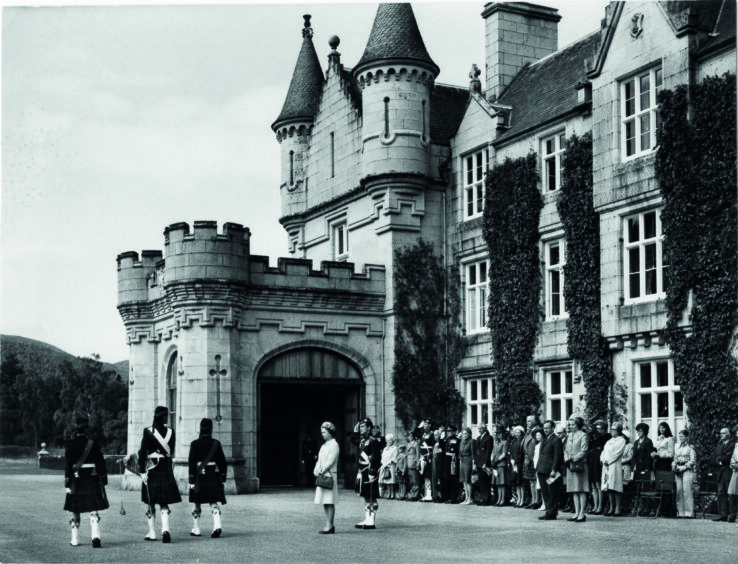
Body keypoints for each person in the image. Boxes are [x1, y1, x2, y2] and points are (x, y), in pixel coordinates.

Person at [138, 405, 182, 543]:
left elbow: (142, 453)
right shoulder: (171, 432)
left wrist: (141, 471)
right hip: (166, 469)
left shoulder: (148, 431)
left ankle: (152, 533)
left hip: (152, 470)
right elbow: (172, 450)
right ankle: (165, 530)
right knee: (164, 502)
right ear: (164, 417)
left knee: (150, 502)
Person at [64, 417, 109, 548]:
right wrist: (104, 479)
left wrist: (67, 483)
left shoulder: (71, 444)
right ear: (86, 429)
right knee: (93, 510)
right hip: (91, 479)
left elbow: (67, 466)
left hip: (76, 480)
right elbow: (101, 462)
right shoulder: (93, 443)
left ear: (76, 430)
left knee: (75, 510)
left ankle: (75, 540)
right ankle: (96, 537)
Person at [187, 418, 227, 538]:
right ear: (211, 429)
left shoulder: (194, 444)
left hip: (199, 477)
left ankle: (196, 528)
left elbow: (192, 463)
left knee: (197, 503)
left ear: (200, 429)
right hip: (213, 476)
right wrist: (223, 477)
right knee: (213, 502)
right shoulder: (216, 444)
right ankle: (217, 526)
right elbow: (222, 462)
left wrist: (191, 480)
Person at [352, 418, 382, 529]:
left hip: (369, 471)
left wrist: (372, 471)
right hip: (362, 471)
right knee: (365, 495)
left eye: (363, 426)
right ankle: (367, 518)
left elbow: (376, 456)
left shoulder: (373, 441)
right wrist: (355, 431)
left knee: (371, 496)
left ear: (369, 428)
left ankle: (371, 520)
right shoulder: (362, 440)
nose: (361, 428)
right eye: (360, 426)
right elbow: (352, 440)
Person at [314, 421, 339, 534]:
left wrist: (322, 470)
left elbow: (330, 461)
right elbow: (319, 460)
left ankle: (330, 525)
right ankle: (328, 524)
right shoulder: (323, 446)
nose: (322, 434)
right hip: (322, 474)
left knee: (330, 500)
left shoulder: (334, 445)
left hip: (329, 475)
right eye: (321, 432)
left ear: (330, 433)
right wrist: (316, 469)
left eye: (324, 432)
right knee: (325, 501)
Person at [536, 420, 564, 520]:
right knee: (545, 492)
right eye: (544, 428)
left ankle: (553, 512)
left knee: (552, 492)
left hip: (550, 471)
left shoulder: (556, 440)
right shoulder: (544, 439)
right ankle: (548, 511)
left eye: (547, 428)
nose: (545, 430)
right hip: (541, 469)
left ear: (553, 428)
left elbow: (557, 456)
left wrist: (554, 469)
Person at [563, 416, 589, 523]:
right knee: (574, 490)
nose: (571, 426)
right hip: (570, 465)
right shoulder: (569, 436)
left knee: (581, 489)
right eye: (570, 424)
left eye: (573, 424)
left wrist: (573, 458)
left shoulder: (583, 435)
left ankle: (582, 513)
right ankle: (576, 512)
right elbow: (565, 450)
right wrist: (566, 459)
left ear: (578, 425)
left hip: (579, 465)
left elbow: (584, 450)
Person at [600, 422, 626, 516]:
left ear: (618, 431)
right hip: (606, 466)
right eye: (611, 429)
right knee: (609, 487)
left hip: (615, 466)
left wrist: (609, 460)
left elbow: (618, 453)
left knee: (616, 486)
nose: (612, 431)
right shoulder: (608, 441)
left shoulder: (621, 441)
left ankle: (617, 508)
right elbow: (603, 452)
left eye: (614, 430)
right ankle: (611, 508)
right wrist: (603, 460)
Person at [713, 426, 736, 522]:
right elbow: (713, 458)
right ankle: (723, 515)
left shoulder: (733, 445)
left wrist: (720, 459)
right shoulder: (719, 445)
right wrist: (719, 460)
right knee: (721, 493)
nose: (721, 435)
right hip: (720, 473)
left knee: (731, 494)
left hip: (729, 472)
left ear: (728, 434)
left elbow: (728, 458)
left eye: (723, 433)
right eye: (720, 433)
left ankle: (732, 515)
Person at [672, 428, 696, 519]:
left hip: (687, 470)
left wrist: (684, 467)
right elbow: (675, 458)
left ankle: (689, 513)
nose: (680, 438)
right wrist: (674, 465)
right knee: (679, 491)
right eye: (679, 436)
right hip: (678, 470)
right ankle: (680, 512)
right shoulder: (677, 446)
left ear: (687, 437)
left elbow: (693, 460)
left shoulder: (690, 447)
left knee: (687, 491)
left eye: (682, 436)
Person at [588, 420, 610, 514]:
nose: (596, 430)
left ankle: (600, 506)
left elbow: (600, 440)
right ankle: (595, 505)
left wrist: (593, 429)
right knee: (593, 485)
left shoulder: (606, 436)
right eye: (596, 428)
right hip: (592, 461)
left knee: (598, 484)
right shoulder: (595, 437)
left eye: (599, 428)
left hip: (599, 461)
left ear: (604, 428)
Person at [632, 422, 655, 516]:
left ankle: (647, 508)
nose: (638, 433)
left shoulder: (648, 441)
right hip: (637, 467)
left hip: (645, 467)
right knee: (638, 487)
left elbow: (649, 456)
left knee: (645, 487)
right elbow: (634, 456)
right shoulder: (636, 442)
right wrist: (633, 466)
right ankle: (640, 507)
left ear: (644, 432)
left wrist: (647, 468)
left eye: (640, 431)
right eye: (637, 431)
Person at [473, 422, 493, 506]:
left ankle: (487, 499)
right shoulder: (478, 438)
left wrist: (485, 462)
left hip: (484, 463)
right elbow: (476, 451)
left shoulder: (489, 438)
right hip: (479, 462)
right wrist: (475, 463)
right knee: (481, 482)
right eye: (478, 429)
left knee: (486, 482)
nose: (479, 430)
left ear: (484, 428)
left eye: (481, 428)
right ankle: (482, 498)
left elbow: (488, 451)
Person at [523, 416, 541, 509]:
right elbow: (525, 446)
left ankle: (537, 501)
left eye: (529, 421)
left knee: (535, 481)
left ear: (535, 422)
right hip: (528, 460)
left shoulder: (538, 431)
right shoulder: (528, 432)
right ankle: (533, 500)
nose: (527, 422)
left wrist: (531, 458)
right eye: (527, 421)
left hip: (534, 460)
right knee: (531, 482)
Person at [491, 424, 509, 506]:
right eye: (498, 433)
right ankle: (499, 499)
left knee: (502, 483)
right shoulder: (496, 443)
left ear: (503, 433)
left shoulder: (505, 442)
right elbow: (494, 453)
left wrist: (497, 461)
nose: (499, 435)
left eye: (501, 433)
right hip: (496, 464)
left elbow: (504, 454)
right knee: (498, 483)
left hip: (501, 464)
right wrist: (492, 461)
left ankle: (503, 499)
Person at [442, 425, 460, 503]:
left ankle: (454, 498)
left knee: (453, 480)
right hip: (446, 460)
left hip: (453, 460)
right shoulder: (446, 440)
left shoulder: (457, 440)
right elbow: (442, 447)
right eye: (448, 431)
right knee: (447, 479)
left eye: (450, 431)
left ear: (454, 432)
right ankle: (448, 497)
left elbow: (458, 451)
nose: (449, 433)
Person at [509, 426, 526, 508]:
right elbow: (511, 452)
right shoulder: (514, 442)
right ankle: (518, 499)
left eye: (519, 432)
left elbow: (522, 454)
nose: (517, 434)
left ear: (522, 433)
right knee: (517, 483)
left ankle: (522, 500)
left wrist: (516, 461)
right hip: (514, 464)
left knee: (521, 483)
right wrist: (512, 460)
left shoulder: (522, 441)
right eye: (516, 432)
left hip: (520, 464)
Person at [419, 420, 435, 501]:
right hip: (423, 457)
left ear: (430, 425)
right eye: (424, 424)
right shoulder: (423, 434)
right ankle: (426, 494)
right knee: (425, 476)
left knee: (429, 475)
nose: (424, 426)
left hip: (429, 458)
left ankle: (430, 494)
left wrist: (430, 455)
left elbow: (433, 446)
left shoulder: (432, 434)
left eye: (426, 424)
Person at [379, 433, 398, 499]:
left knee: (391, 480)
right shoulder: (385, 449)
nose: (389, 442)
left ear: (393, 441)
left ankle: (392, 494)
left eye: (390, 440)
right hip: (385, 466)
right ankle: (388, 493)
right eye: (388, 440)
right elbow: (382, 457)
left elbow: (394, 457)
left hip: (391, 466)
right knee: (387, 479)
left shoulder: (395, 448)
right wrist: (384, 463)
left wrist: (389, 463)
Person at [459, 427, 475, 504]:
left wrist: (473, 463)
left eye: (466, 433)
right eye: (463, 433)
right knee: (463, 481)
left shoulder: (471, 441)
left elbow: (473, 453)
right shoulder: (461, 442)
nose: (464, 435)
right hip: (462, 461)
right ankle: (466, 497)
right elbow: (460, 452)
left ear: (469, 434)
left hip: (468, 461)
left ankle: (470, 498)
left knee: (468, 480)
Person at [405, 431, 421, 501]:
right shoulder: (408, 444)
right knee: (411, 480)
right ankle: (411, 494)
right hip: (409, 463)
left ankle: (415, 495)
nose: (410, 437)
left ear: (413, 437)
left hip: (413, 463)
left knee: (415, 480)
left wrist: (417, 463)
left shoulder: (416, 444)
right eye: (409, 436)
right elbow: (406, 455)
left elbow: (418, 454)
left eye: (411, 436)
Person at [728, 428, 738, 525]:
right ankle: (733, 515)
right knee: (733, 494)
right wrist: (732, 464)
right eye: (737, 433)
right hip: (736, 472)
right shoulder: (736, 445)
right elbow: (733, 457)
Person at [431, 428, 445, 502]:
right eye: (434, 435)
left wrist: (437, 449)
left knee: (439, 479)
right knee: (434, 479)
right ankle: (435, 495)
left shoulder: (441, 442)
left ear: (439, 435)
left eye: (437, 435)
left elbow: (442, 452)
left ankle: (440, 496)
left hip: (439, 462)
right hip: (434, 461)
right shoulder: (434, 443)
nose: (435, 436)